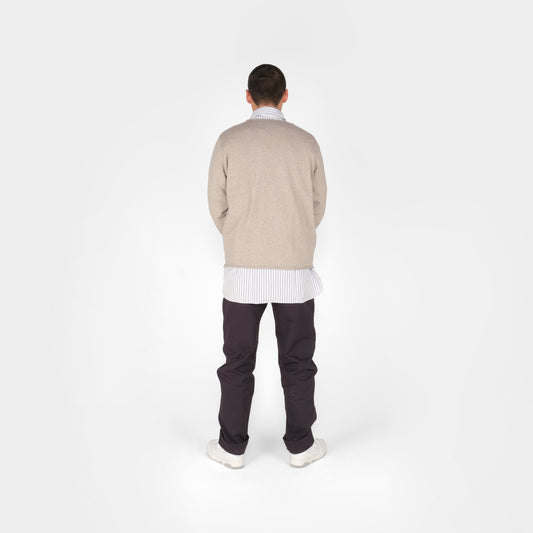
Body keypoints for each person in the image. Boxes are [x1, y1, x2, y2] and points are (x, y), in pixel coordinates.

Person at [206, 64, 328, 469]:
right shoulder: (306, 143)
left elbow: (217, 204)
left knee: (237, 362)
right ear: (285, 95)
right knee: (298, 361)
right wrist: (292, 235)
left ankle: (231, 448)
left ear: (248, 96)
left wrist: (241, 234)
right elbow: (317, 206)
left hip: (242, 272)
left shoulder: (229, 141)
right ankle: (301, 446)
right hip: (294, 271)